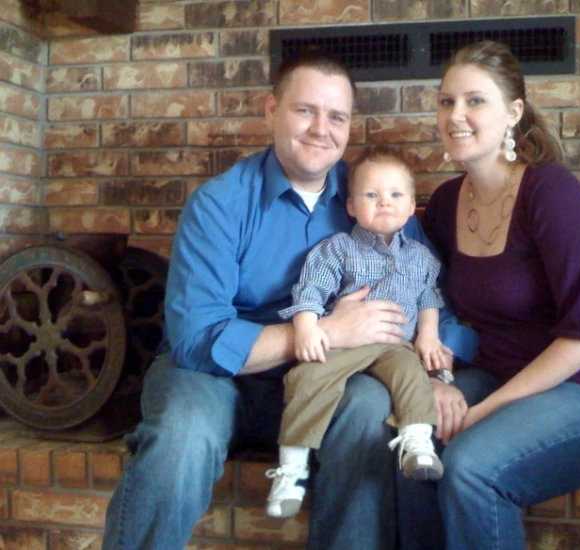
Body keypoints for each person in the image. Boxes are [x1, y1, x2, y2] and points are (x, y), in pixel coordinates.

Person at [101, 50, 476, 550]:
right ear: (270, 111)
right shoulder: (219, 205)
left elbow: (428, 292)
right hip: (214, 380)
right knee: (181, 437)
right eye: (305, 110)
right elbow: (196, 340)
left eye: (336, 116)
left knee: (369, 412)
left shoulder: (372, 195)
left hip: (334, 375)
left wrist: (436, 374)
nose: (321, 129)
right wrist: (324, 333)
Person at [397, 40, 580, 550]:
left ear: (513, 112)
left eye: (475, 100)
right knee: (408, 445)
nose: (456, 115)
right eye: (446, 102)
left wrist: (481, 414)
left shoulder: (550, 192)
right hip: (494, 374)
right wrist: (439, 381)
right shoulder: (445, 203)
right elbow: (430, 302)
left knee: (470, 467)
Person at [266, 146, 451, 519]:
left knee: (412, 375)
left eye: (395, 195)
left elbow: (429, 297)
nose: (384, 203)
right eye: (371, 195)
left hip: (395, 344)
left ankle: (417, 441)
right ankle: (292, 466)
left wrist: (428, 336)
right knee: (310, 376)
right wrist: (307, 328)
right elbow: (311, 292)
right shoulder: (338, 249)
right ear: (350, 206)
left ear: (412, 205)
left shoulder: (421, 257)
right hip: (348, 343)